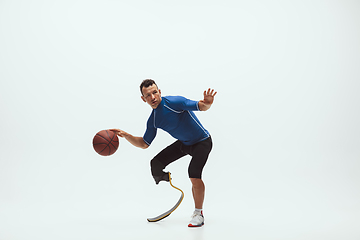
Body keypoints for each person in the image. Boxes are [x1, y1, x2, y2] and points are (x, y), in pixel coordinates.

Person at [110, 79, 217, 227]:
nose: (152, 97)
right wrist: (126, 135)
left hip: (202, 141)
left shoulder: (174, 102)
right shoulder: (153, 120)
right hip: (185, 144)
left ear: (159, 92)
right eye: (148, 95)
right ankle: (170, 181)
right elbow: (144, 144)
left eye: (154, 92)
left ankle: (198, 213)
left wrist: (208, 103)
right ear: (143, 99)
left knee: (193, 173)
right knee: (155, 163)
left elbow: (201, 106)